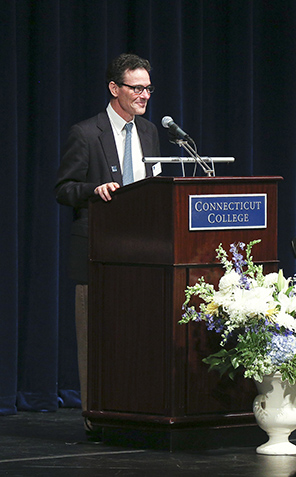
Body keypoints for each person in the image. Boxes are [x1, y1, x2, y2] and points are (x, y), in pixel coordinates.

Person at [55, 53, 160, 436]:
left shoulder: (149, 132)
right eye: (136, 88)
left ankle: (134, 409)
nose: (144, 95)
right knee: (95, 339)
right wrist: (93, 190)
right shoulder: (86, 133)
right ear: (115, 89)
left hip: (145, 254)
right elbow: (63, 189)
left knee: (138, 337)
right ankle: (96, 416)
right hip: (97, 254)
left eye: (148, 88)